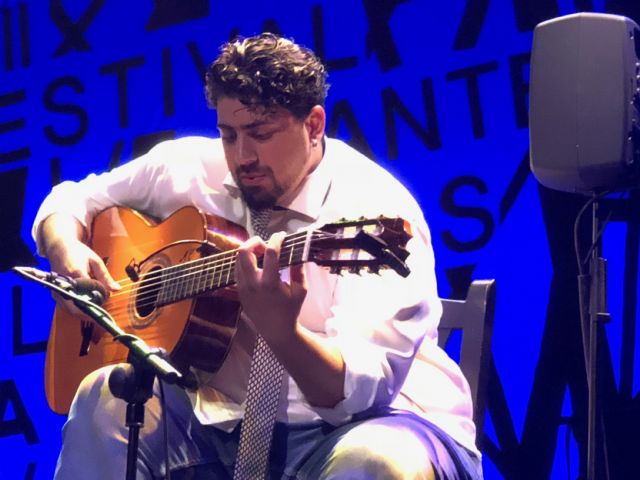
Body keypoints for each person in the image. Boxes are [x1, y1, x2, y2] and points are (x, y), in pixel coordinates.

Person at [32, 33, 482, 479]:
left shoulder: (374, 210)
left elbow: (357, 397)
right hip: (218, 426)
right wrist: (66, 249)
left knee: (375, 463)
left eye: (261, 134)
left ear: (314, 126)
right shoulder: (188, 170)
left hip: (368, 425)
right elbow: (69, 200)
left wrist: (283, 332)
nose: (242, 156)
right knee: (103, 395)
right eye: (228, 135)